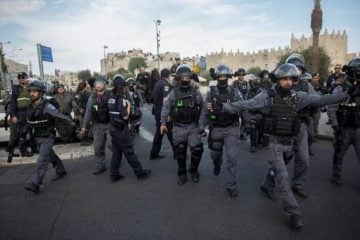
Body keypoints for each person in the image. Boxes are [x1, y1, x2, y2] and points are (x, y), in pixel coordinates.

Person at [212, 63, 348, 229]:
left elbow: (322, 99)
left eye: (292, 79)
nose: (288, 82)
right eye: (284, 79)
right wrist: (224, 106)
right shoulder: (266, 96)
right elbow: (246, 104)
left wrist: (347, 93)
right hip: (273, 143)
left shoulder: (298, 97)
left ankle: (266, 185)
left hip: (289, 144)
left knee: (279, 170)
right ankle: (293, 212)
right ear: (278, 79)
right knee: (283, 177)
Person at [199, 64, 243, 197]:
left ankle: (231, 184)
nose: (222, 78)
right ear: (217, 77)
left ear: (228, 77)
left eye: (225, 76)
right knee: (215, 155)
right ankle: (217, 164)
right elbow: (204, 112)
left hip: (231, 128)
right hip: (216, 128)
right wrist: (201, 126)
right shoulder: (211, 93)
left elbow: (241, 107)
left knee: (232, 157)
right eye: (220, 76)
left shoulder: (235, 92)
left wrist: (247, 125)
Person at [24, 80, 74, 194]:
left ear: (41, 93)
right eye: (30, 91)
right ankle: (61, 170)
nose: (31, 93)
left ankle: (36, 183)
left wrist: (71, 123)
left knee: (42, 160)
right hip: (37, 137)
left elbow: (60, 116)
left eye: (34, 92)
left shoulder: (47, 106)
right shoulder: (30, 106)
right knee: (50, 156)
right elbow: (28, 121)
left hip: (47, 137)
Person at [160, 64, 204, 185]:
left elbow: (203, 109)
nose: (185, 79)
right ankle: (182, 173)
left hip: (193, 126)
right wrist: (162, 123)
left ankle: (194, 170)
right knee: (180, 151)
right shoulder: (173, 93)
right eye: (183, 78)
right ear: (179, 78)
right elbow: (165, 108)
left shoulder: (196, 92)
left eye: (187, 77)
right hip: (178, 127)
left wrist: (201, 126)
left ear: (190, 78)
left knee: (197, 150)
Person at [108, 75, 151, 182]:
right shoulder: (121, 99)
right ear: (122, 87)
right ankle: (140, 173)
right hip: (121, 130)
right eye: (125, 87)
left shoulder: (111, 98)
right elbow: (125, 116)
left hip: (113, 128)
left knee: (116, 153)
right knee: (129, 152)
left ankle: (114, 174)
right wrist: (127, 105)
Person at [328, 57, 360, 187]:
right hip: (344, 128)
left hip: (359, 128)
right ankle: (336, 175)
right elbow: (331, 106)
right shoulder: (341, 87)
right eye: (357, 72)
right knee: (339, 154)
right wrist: (335, 125)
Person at [80, 76, 112, 175]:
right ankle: (100, 166)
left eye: (100, 83)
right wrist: (84, 127)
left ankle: (116, 161)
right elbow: (88, 112)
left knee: (112, 145)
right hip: (97, 126)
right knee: (98, 148)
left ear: (105, 84)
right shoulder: (92, 97)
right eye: (96, 83)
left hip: (110, 124)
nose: (98, 85)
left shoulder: (111, 95)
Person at [8, 72, 36, 157]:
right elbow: (12, 103)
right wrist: (14, 116)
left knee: (33, 132)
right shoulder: (16, 89)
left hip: (31, 112)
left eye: (23, 77)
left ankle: (34, 148)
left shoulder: (31, 87)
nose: (21, 79)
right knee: (23, 133)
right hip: (21, 113)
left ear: (26, 77)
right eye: (19, 77)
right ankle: (23, 151)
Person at [150, 68, 175, 160]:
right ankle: (177, 152)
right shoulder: (165, 85)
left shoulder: (157, 83)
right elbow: (166, 100)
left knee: (159, 133)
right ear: (168, 76)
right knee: (171, 132)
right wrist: (167, 114)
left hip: (157, 111)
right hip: (163, 112)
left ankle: (154, 153)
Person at [74, 81, 92, 146]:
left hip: (84, 112)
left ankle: (86, 139)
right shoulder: (79, 94)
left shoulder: (84, 93)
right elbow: (75, 104)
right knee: (83, 126)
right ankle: (83, 140)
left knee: (86, 126)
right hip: (81, 113)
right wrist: (79, 110)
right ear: (84, 87)